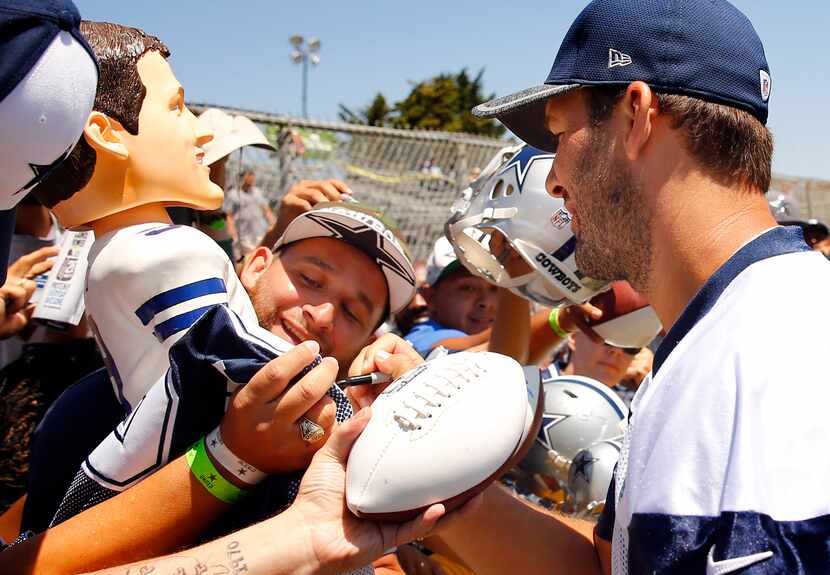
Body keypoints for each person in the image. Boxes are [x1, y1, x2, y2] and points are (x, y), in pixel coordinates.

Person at [432, 0, 830, 573]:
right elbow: (608, 566)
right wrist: (433, 475)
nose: (556, 180)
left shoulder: (776, 350)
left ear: (637, 115)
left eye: (561, 135)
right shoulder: (719, 332)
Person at [404, 236, 499, 357]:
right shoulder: (424, 339)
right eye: (468, 288)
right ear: (431, 297)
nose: (486, 302)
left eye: (495, 288)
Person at [225, 169, 276, 255]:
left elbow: (266, 210)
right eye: (249, 177)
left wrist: (274, 224)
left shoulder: (257, 192)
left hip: (259, 233)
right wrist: (232, 232)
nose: (251, 179)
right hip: (242, 235)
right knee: (245, 259)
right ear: (242, 178)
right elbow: (228, 215)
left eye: (252, 177)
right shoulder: (233, 194)